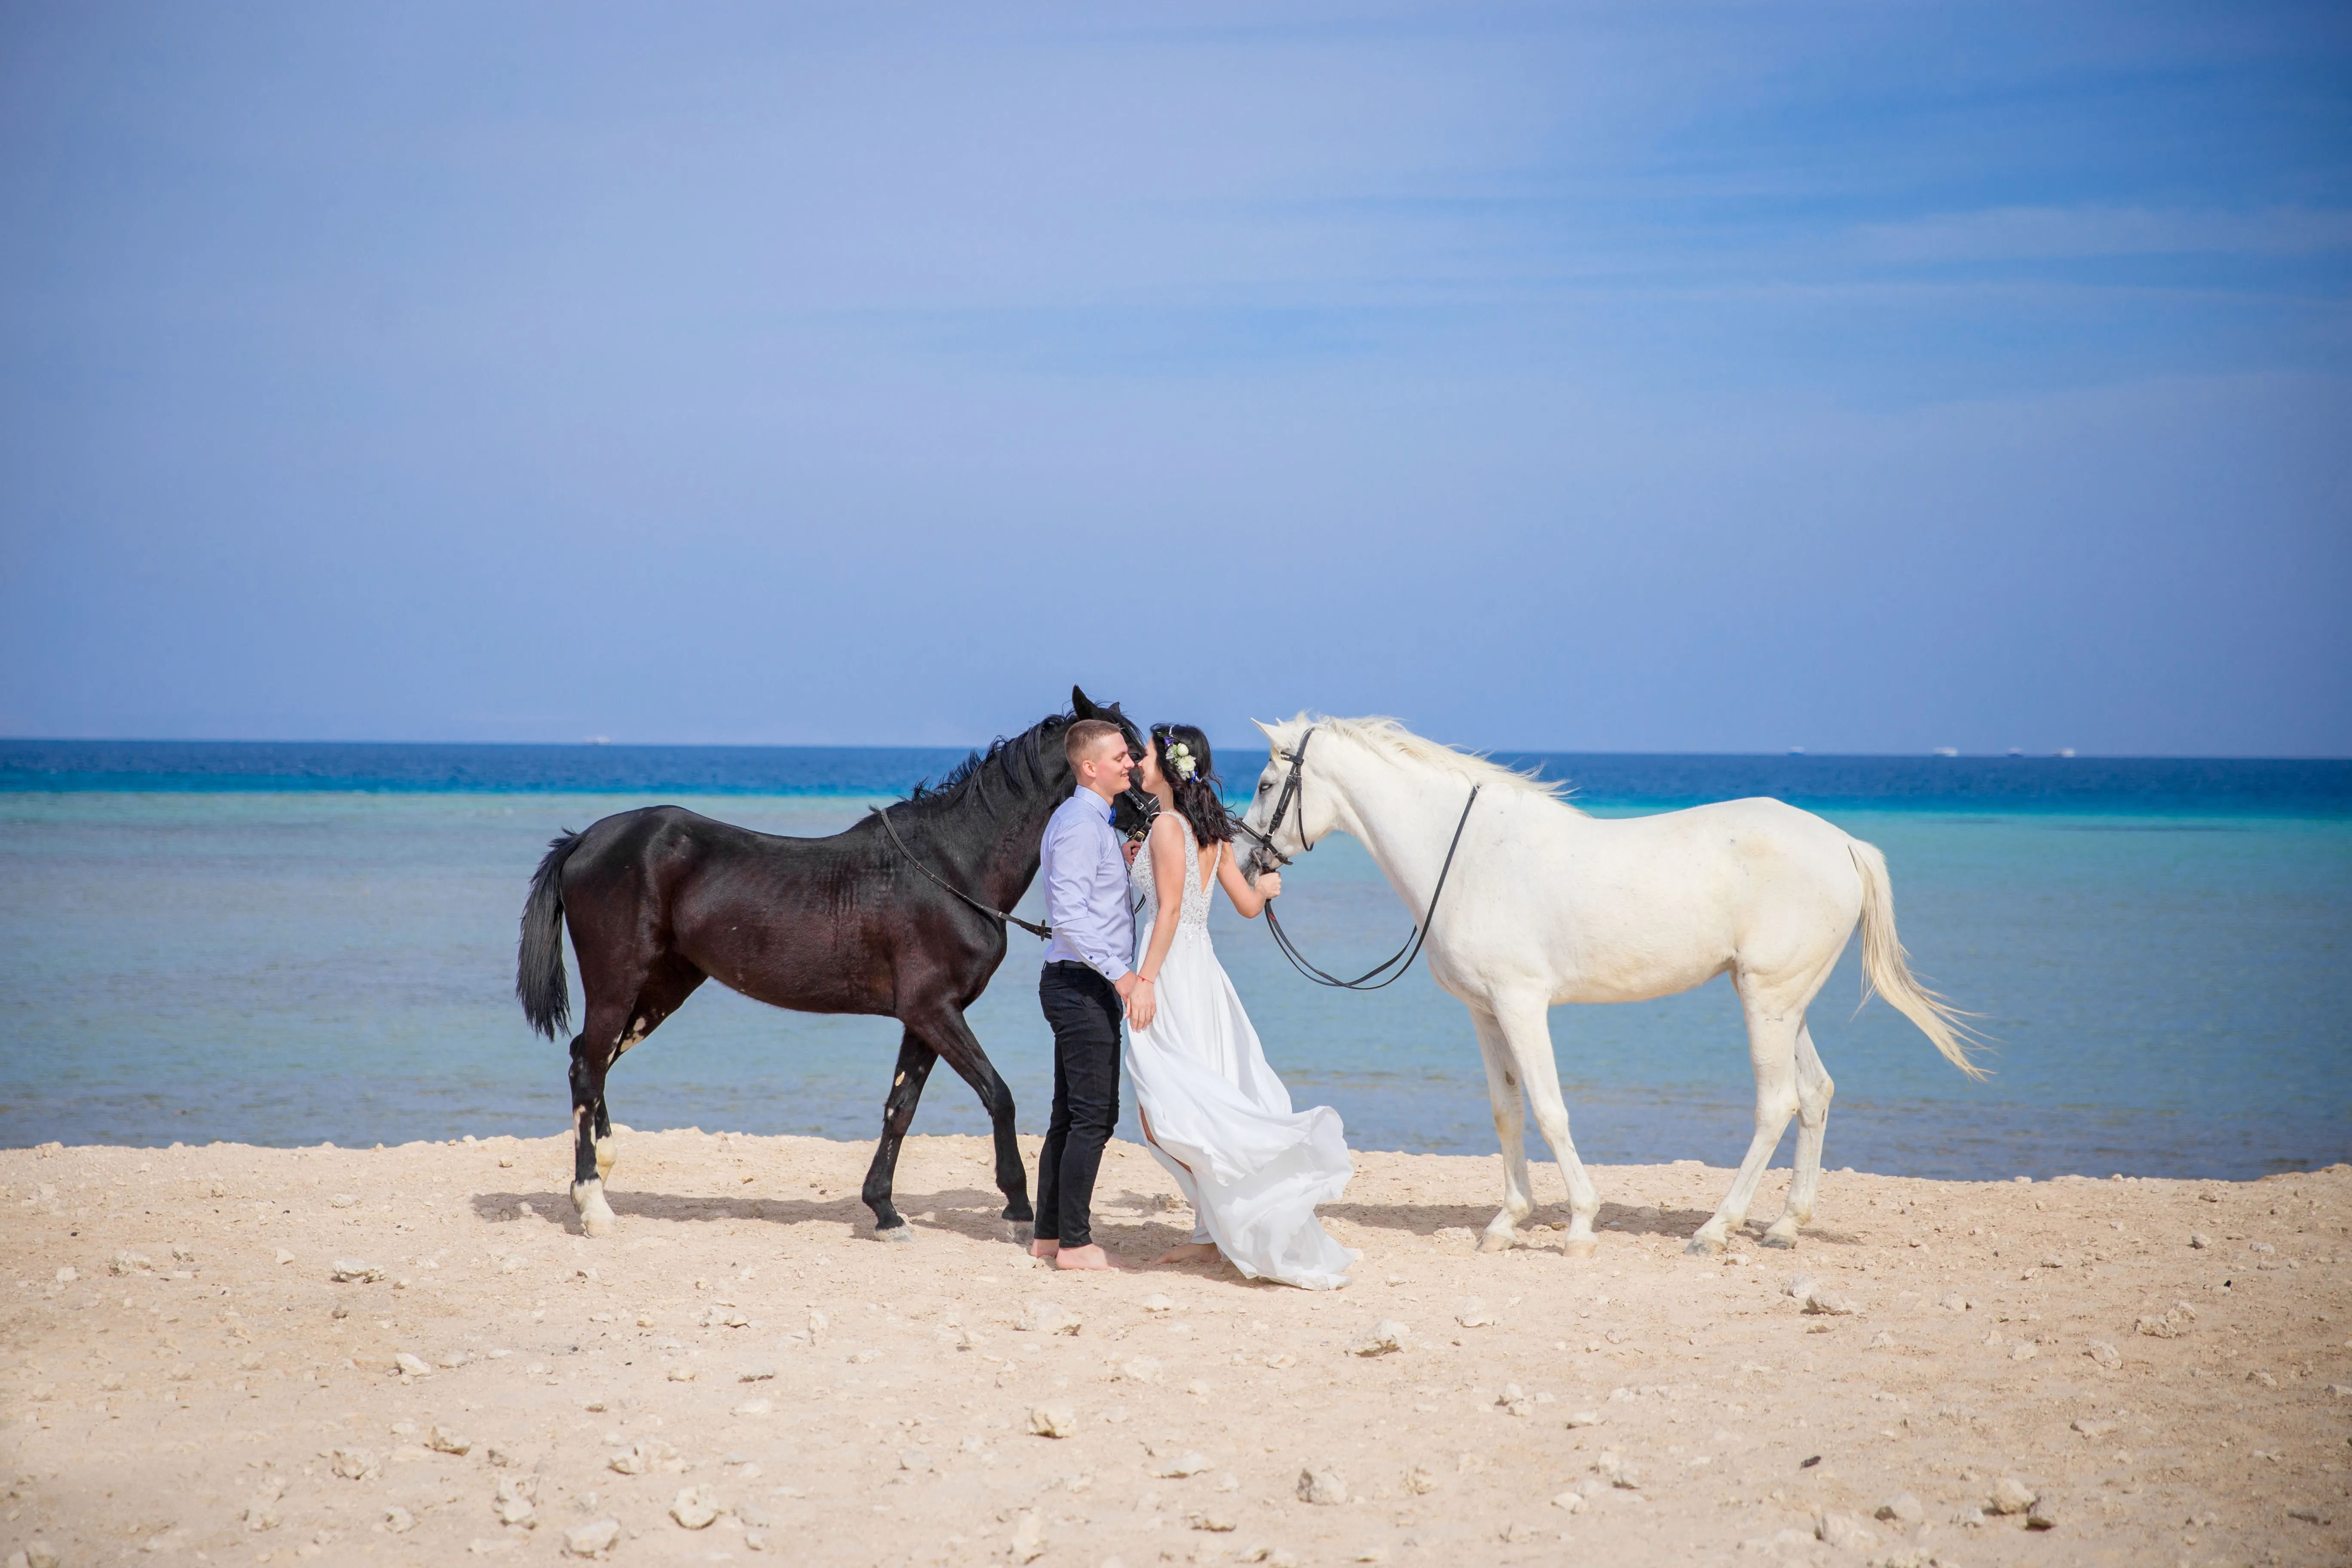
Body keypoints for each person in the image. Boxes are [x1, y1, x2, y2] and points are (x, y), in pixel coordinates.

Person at [1124, 723, 1359, 1289]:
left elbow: (1172, 909)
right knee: (1197, 1099)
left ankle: (1216, 1229)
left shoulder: (1166, 828)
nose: (1138, 760)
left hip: (1172, 973)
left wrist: (1145, 981)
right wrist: (1269, 889)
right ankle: (1213, 1232)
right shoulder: (1210, 832)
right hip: (1203, 975)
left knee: (1164, 1113)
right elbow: (1249, 906)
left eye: (1148, 754)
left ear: (1170, 768)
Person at [1031, 717, 1145, 1271]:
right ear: (1089, 767)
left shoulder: (1091, 823)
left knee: (1069, 1115)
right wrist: (1121, 975)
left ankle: (1049, 1236)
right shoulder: (1080, 823)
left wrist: (1122, 869)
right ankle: (1075, 1243)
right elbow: (1071, 916)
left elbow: (1088, 902)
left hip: (1076, 981)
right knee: (1094, 1118)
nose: (1132, 763)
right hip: (1081, 984)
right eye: (1121, 756)